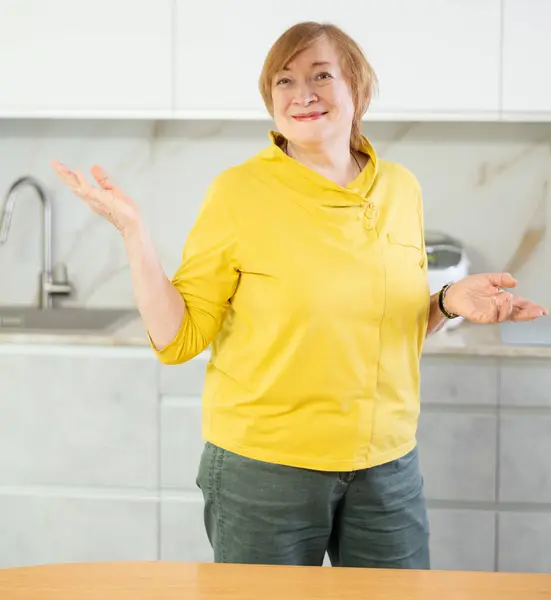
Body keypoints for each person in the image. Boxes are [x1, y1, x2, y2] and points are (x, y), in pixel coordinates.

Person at [51, 21, 547, 570]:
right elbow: (178, 339)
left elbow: (383, 319)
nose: (302, 93)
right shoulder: (239, 193)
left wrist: (448, 300)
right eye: (284, 81)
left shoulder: (400, 188)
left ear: (356, 89)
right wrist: (134, 234)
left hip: (386, 464)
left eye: (321, 75)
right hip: (267, 467)